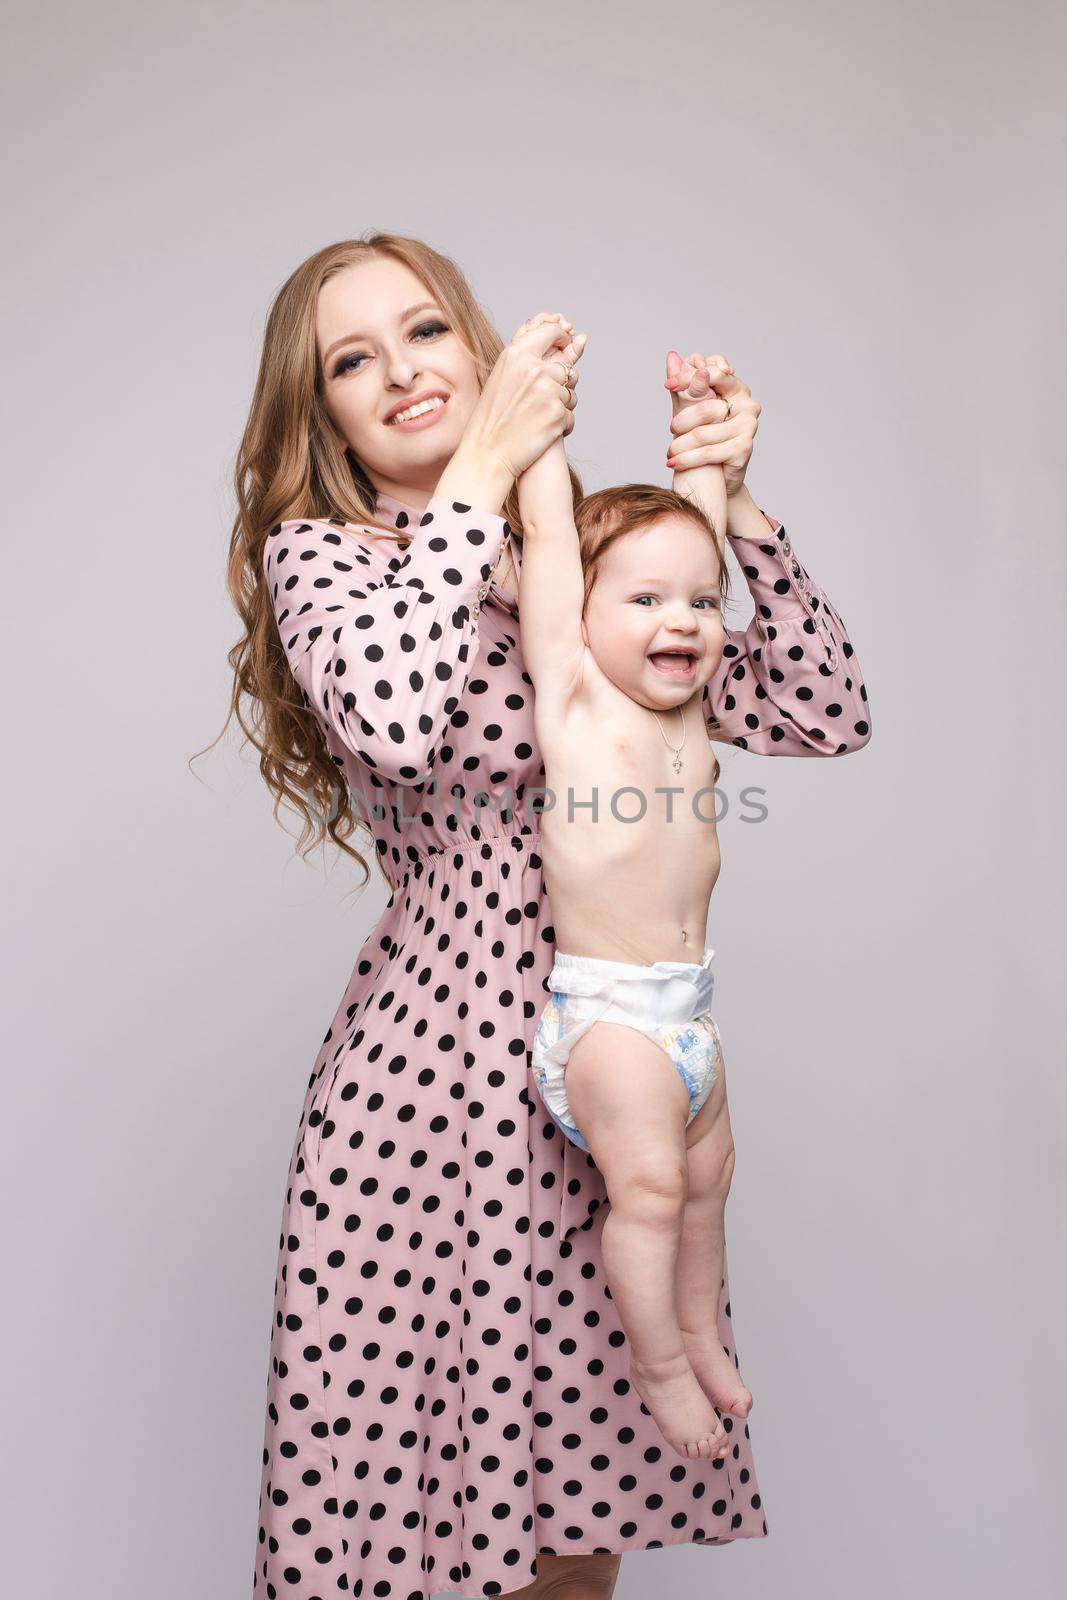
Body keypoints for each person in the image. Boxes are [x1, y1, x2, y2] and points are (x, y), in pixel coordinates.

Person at [223, 231, 872, 1600]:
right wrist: (479, 473)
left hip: (611, 1078)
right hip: (434, 1099)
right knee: (412, 1555)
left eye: (422, 332)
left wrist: (736, 511)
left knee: (572, 1552)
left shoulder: (577, 552)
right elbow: (395, 726)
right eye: (353, 359)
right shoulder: (325, 560)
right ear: (322, 412)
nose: (400, 372)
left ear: (477, 342)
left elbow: (822, 711)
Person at [522, 342, 785, 1461]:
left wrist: (699, 418)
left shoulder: (684, 707)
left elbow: (701, 525)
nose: (680, 621)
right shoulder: (576, 699)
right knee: (648, 1189)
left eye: (699, 603)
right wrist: (535, 423)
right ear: (579, 618)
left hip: (685, 1011)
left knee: (708, 1184)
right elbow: (545, 536)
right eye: (642, 600)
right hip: (609, 1018)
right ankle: (660, 1366)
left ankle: (695, 1327)